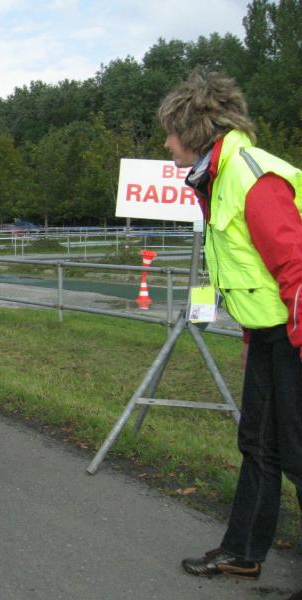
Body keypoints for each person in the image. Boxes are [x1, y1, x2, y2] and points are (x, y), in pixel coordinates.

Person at [158, 69, 302, 589]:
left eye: (171, 132)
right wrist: (250, 338)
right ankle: (242, 551)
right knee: (257, 445)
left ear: (194, 129)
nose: (167, 143)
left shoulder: (250, 177)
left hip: (294, 333)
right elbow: (252, 276)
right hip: (269, 333)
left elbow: (296, 268)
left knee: (298, 454)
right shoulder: (217, 178)